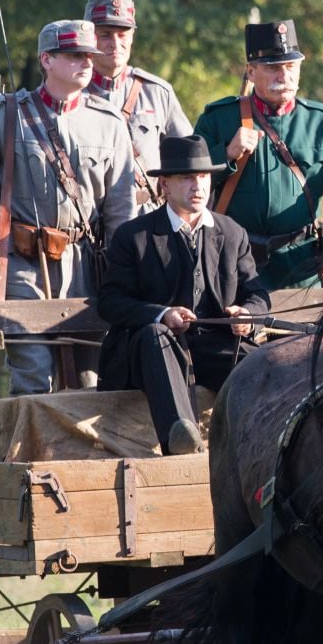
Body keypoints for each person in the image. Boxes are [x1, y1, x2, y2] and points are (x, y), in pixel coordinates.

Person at [0, 18, 138, 395]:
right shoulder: (6, 114)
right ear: (47, 60)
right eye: (74, 55)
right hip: (22, 267)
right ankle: (30, 454)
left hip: (86, 269)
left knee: (89, 383)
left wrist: (129, 273)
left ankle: (75, 456)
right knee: (34, 377)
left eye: (89, 55)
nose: (87, 63)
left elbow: (121, 212)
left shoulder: (109, 123)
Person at [97, 134, 270, 455]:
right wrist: (161, 314)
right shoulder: (133, 236)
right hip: (153, 353)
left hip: (216, 348)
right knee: (155, 334)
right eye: (187, 177)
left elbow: (257, 295)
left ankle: (268, 450)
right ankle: (182, 442)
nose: (198, 186)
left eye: (203, 177)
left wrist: (247, 316)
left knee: (263, 365)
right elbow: (110, 301)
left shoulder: (232, 233)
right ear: (164, 185)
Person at [193, 18, 323, 288]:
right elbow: (187, 180)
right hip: (232, 262)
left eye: (291, 66)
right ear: (250, 71)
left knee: (308, 331)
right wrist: (226, 154)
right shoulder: (218, 119)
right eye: (272, 68)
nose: (284, 75)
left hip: (301, 268)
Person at [83, 0, 193, 203]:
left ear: (132, 36)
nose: (115, 43)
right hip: (91, 223)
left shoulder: (157, 92)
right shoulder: (72, 92)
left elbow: (189, 160)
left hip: (145, 219)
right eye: (105, 34)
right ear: (90, 38)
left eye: (123, 34)